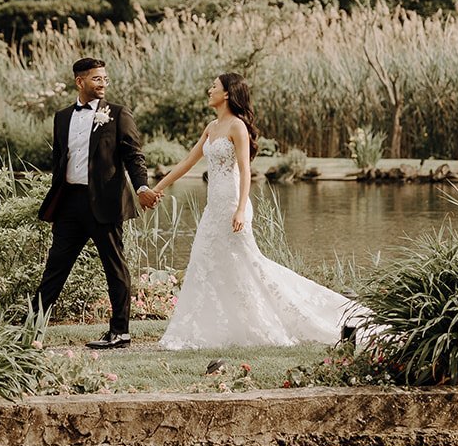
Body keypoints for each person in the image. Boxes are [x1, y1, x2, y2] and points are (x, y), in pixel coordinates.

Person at [152, 72, 365, 349]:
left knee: (248, 265)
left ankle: (265, 322)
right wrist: (158, 187)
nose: (209, 90)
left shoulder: (237, 127)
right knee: (204, 262)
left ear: (227, 93)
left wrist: (240, 210)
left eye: (214, 86)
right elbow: (187, 163)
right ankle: (205, 329)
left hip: (232, 205)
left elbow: (245, 170)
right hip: (213, 208)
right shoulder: (211, 127)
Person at [34, 57, 157, 350]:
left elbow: (133, 156)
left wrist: (142, 186)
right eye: (96, 79)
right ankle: (33, 329)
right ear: (80, 82)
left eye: (105, 79)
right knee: (55, 268)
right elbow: (59, 161)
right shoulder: (62, 117)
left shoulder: (117, 114)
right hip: (69, 204)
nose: (103, 84)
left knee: (115, 268)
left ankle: (120, 332)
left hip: (105, 203)